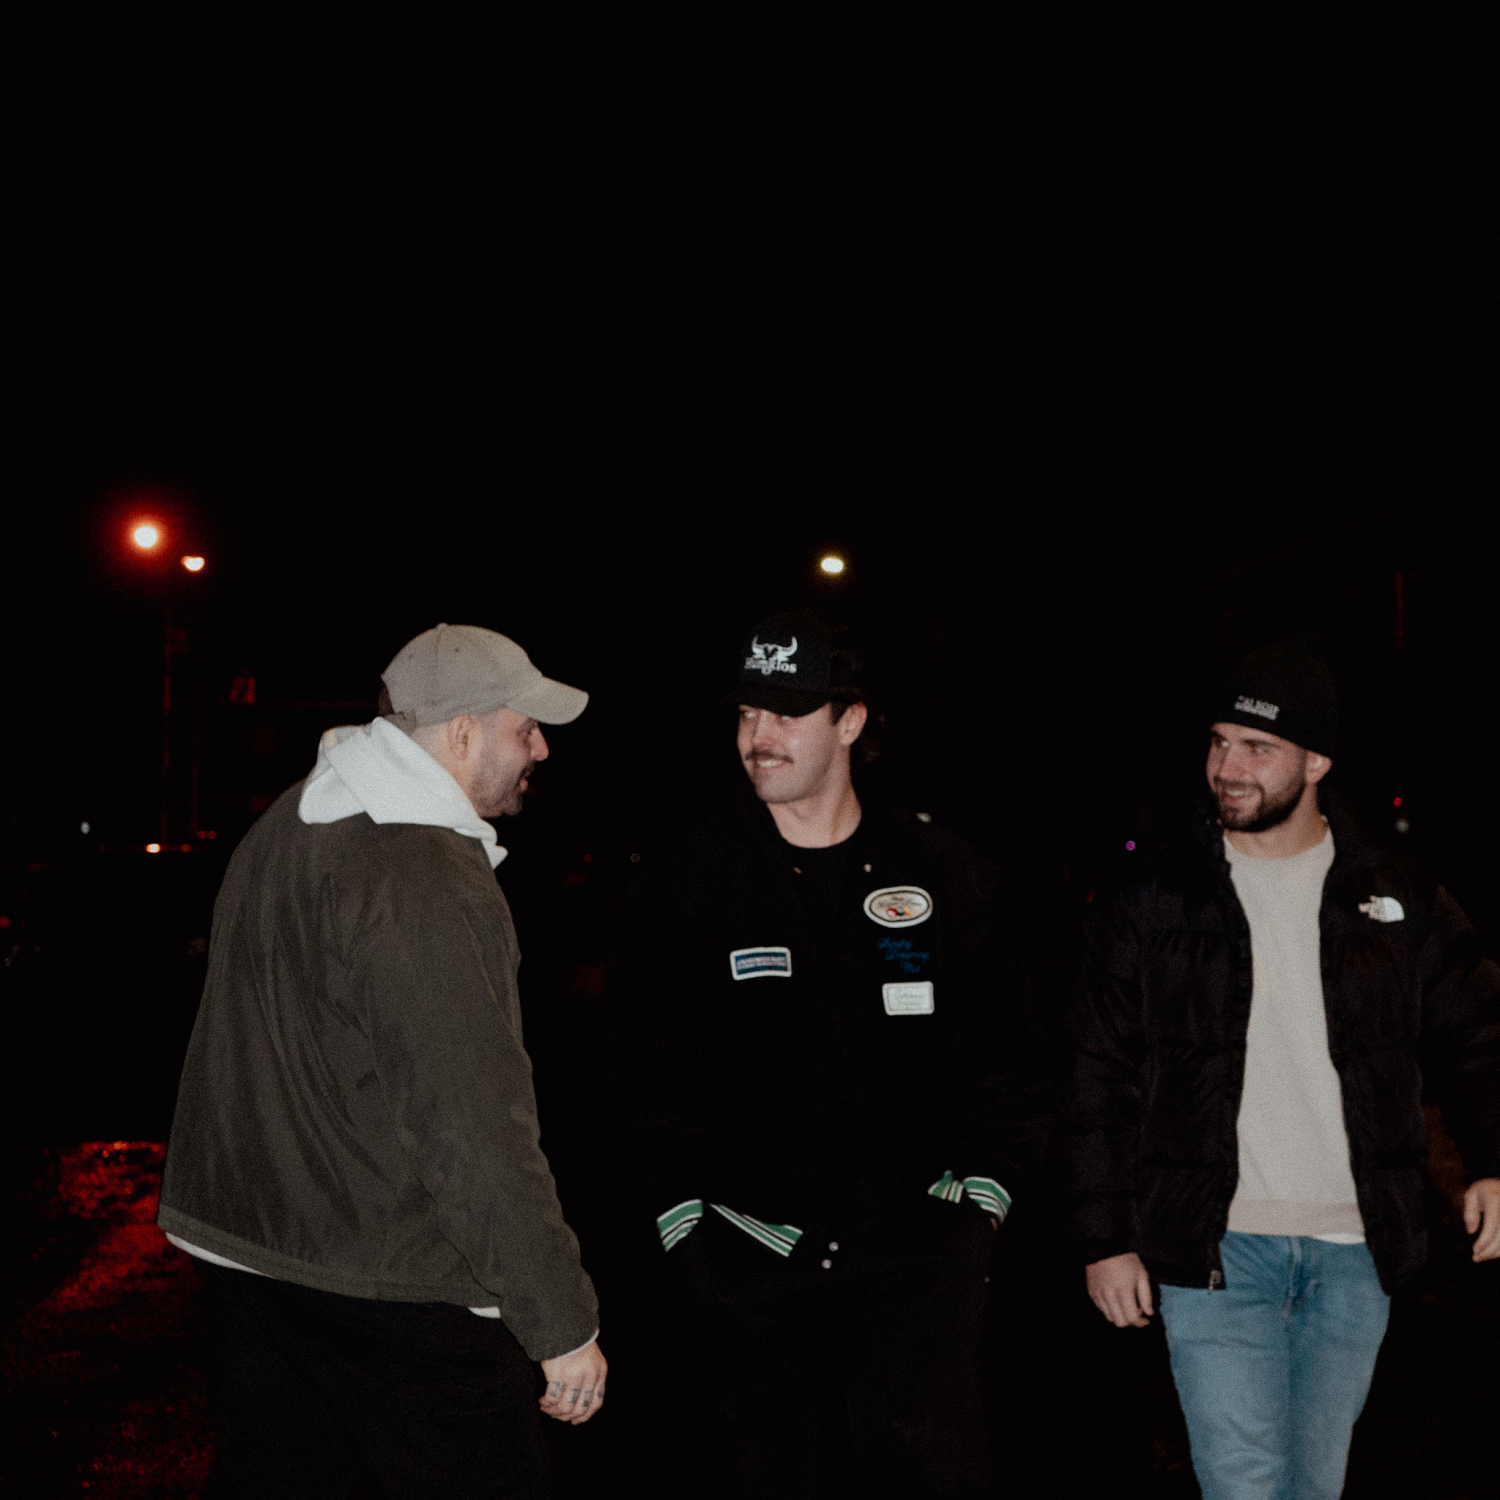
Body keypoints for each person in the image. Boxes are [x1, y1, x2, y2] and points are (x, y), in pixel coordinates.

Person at [158, 623, 608, 1499]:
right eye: (526, 729)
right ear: (463, 731)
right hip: (390, 1286)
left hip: (255, 1264)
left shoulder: (293, 822)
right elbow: (472, 1128)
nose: (541, 750)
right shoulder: (423, 875)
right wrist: (559, 1322)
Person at [615, 609, 1049, 1498]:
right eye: (747, 713)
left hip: (919, 1269)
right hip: (748, 1272)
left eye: (786, 713)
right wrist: (686, 1226)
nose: (759, 737)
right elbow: (641, 1073)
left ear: (850, 721)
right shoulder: (693, 880)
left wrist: (981, 1203)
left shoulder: (940, 870)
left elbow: (1014, 1056)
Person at [1066, 635, 1500, 1500]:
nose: (1228, 768)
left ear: (1316, 762)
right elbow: (1098, 1074)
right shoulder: (1157, 899)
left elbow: (1480, 1033)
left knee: (1314, 1485)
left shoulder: (1396, 895)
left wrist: (1492, 1157)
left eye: (1258, 748)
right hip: (1216, 1249)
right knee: (1245, 1483)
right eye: (1219, 741)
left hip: (1355, 1250)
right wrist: (1103, 1238)